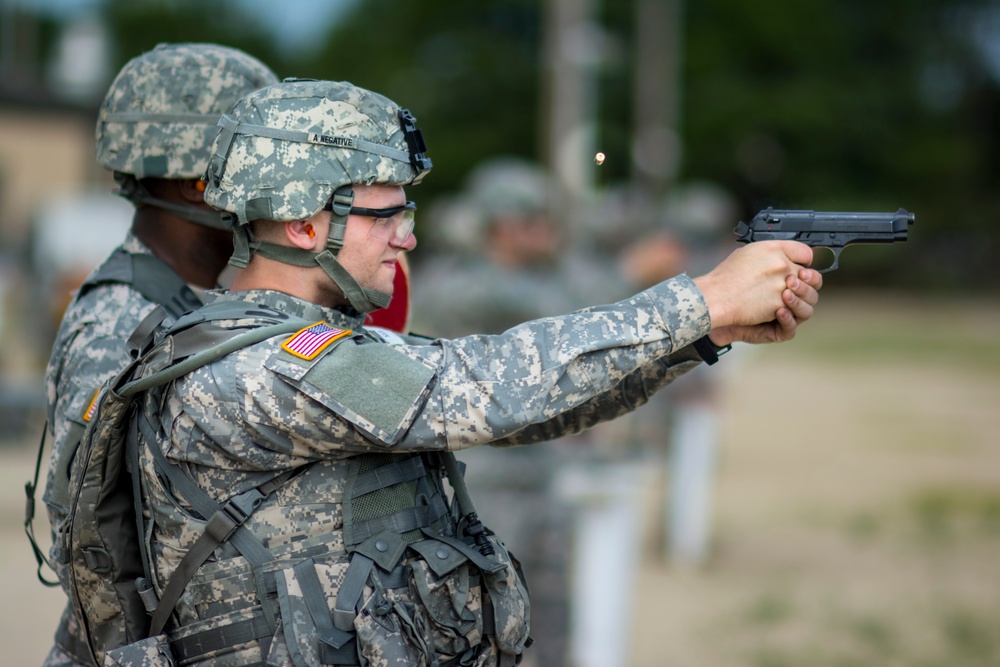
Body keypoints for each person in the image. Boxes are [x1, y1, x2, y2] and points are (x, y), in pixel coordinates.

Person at [111, 78, 821, 666]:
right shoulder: (267, 366)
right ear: (303, 224)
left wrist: (700, 335)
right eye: (385, 216)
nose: (409, 235)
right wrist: (698, 298)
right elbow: (484, 384)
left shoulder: (304, 344)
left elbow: (529, 412)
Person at [38, 43, 278, 667]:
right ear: (193, 182)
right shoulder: (121, 322)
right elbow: (92, 543)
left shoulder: (212, 297)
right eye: (263, 160)